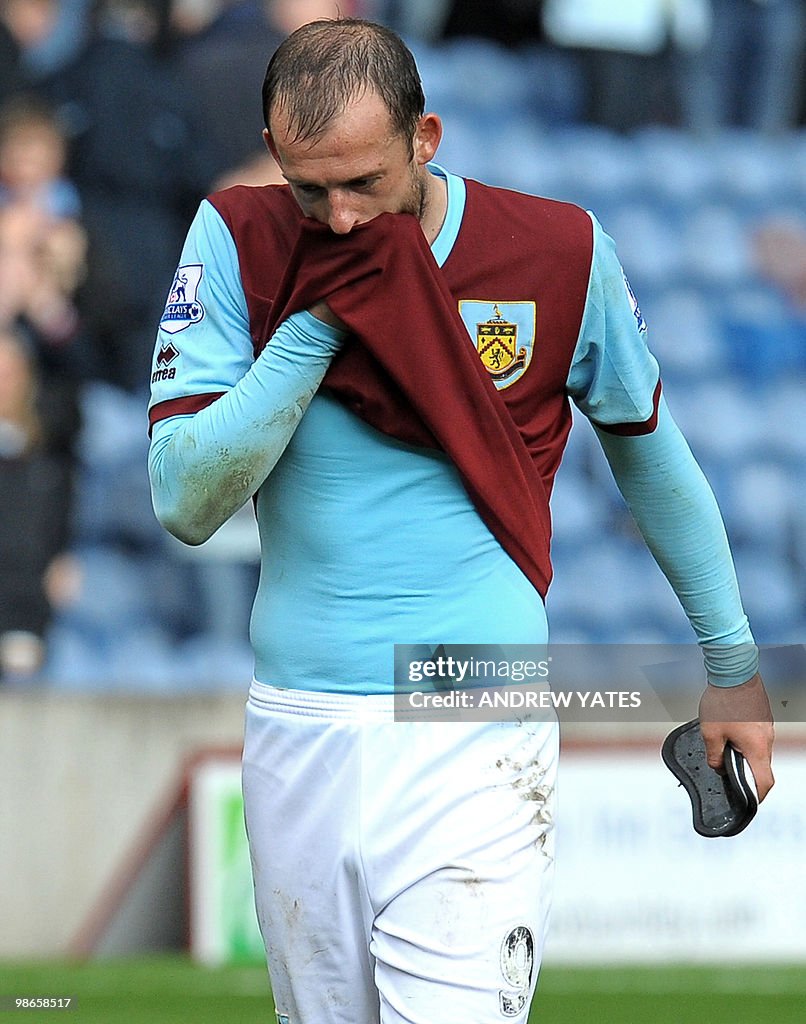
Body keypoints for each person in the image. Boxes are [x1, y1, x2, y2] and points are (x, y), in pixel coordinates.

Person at [147, 17, 775, 1023]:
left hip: (471, 722)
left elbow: (651, 458)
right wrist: (317, 324)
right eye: (311, 189)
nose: (342, 219)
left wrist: (730, 661)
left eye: (365, 183)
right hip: (298, 721)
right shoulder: (237, 239)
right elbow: (183, 499)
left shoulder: (556, 250)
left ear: (425, 138)